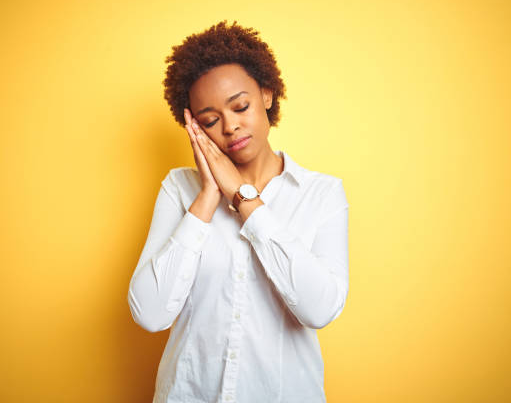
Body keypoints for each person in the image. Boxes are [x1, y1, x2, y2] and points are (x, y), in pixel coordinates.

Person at [127, 20, 349, 403]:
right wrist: (208, 196)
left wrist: (242, 199)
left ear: (267, 94)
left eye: (240, 106)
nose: (229, 126)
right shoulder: (179, 189)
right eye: (210, 120)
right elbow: (149, 313)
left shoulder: (321, 193)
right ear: (194, 126)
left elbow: (320, 308)